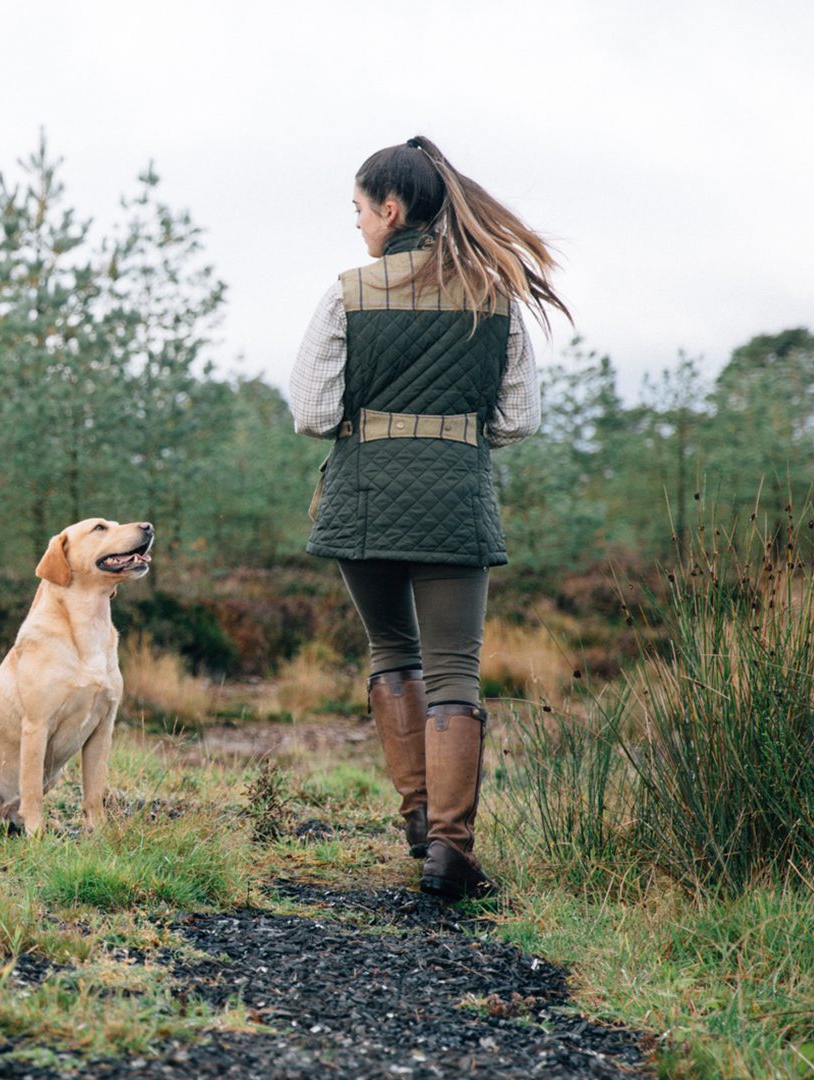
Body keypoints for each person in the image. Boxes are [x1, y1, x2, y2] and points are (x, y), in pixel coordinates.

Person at [287, 136, 569, 902]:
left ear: (390, 208)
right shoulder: (495, 296)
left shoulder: (347, 291)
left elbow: (312, 413)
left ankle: (418, 822)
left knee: (392, 651)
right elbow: (518, 419)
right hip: (454, 501)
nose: (356, 226)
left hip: (363, 499)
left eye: (358, 210)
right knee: (454, 671)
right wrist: (449, 431)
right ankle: (451, 852)